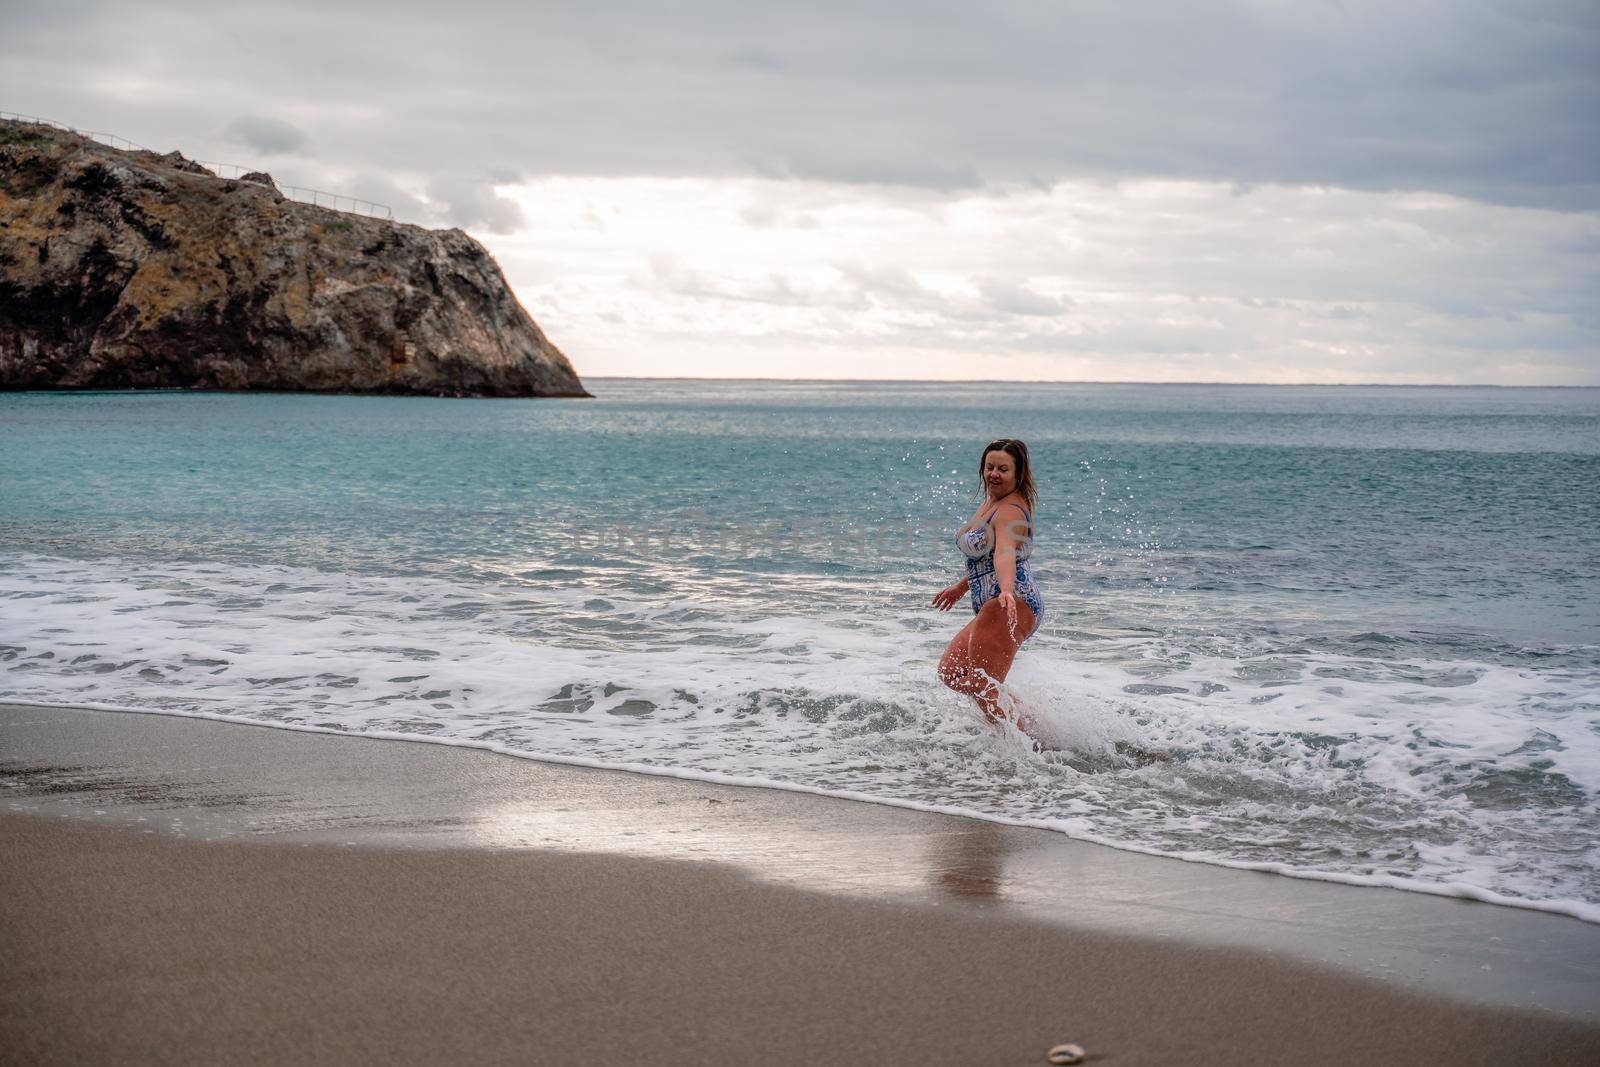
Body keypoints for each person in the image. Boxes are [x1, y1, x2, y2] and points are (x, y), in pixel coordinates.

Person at [933, 438, 1044, 728]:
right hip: (994, 604)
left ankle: (1025, 751)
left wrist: (1006, 590)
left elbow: (1005, 554)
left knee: (984, 687)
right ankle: (1029, 723)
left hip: (1011, 602)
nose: (994, 473)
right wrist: (961, 586)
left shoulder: (1010, 511)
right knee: (953, 673)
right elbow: (987, 557)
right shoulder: (991, 502)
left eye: (1003, 469)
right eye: (990, 467)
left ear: (1018, 474)